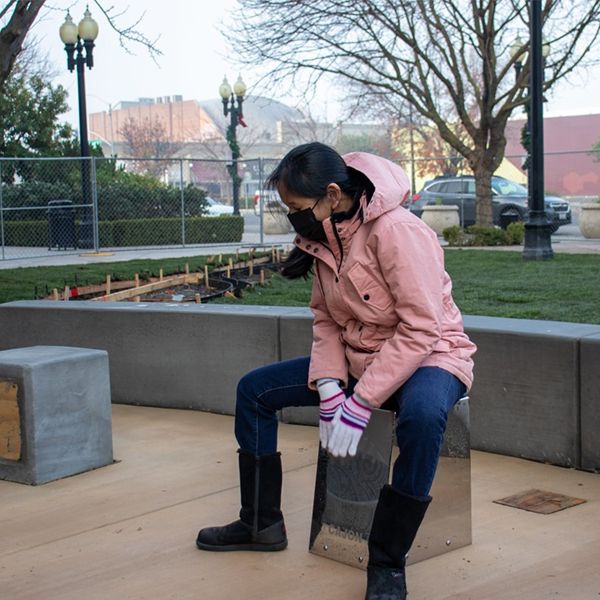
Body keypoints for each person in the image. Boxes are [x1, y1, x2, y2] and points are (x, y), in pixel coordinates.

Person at [196, 142, 476, 600]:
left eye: (296, 207)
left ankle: (387, 563)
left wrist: (362, 401)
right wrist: (329, 385)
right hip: (358, 357)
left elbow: (422, 327)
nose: (293, 218)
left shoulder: (398, 231)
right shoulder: (323, 233)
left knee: (423, 419)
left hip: (431, 355)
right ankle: (260, 524)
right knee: (254, 392)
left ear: (331, 193)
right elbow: (326, 318)